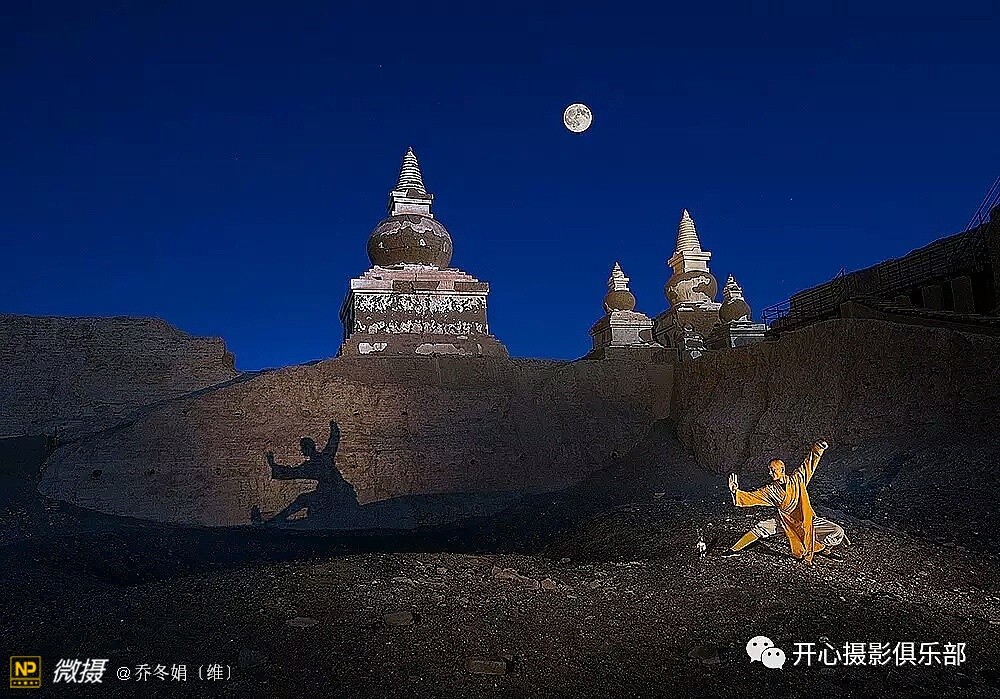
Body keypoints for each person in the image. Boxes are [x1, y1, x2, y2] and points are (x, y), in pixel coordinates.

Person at [721, 439, 850, 564]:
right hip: (786, 522)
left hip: (806, 520)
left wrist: (818, 449)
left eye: (773, 470)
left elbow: (808, 464)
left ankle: (825, 550)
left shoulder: (797, 479)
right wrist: (735, 491)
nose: (770, 473)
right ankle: (733, 549)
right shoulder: (770, 490)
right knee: (761, 527)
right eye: (769, 470)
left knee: (837, 531)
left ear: (782, 470)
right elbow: (752, 497)